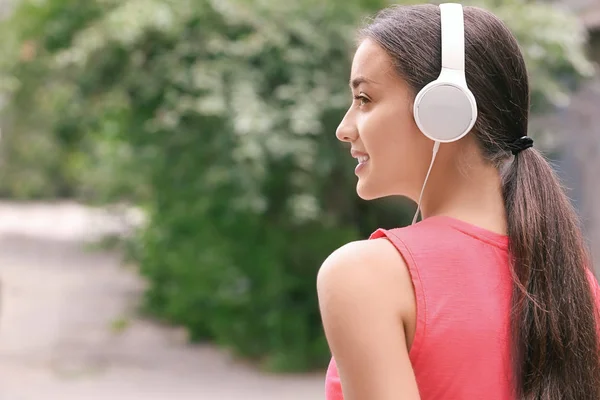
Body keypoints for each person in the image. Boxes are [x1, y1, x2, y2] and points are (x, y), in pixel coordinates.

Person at [316, 3, 600, 400]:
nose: (344, 129)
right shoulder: (574, 283)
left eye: (364, 99)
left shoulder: (366, 275)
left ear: (442, 110)